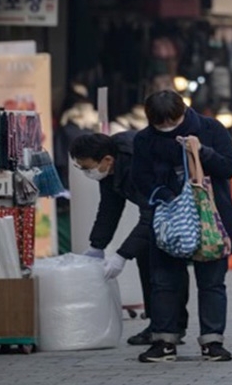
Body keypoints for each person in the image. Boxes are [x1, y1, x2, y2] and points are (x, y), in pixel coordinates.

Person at [132, 91, 232, 363]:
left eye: (173, 120)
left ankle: (212, 342)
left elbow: (230, 166)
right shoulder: (144, 140)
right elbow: (140, 178)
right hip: (170, 219)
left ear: (183, 112)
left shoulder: (209, 129)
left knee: (212, 283)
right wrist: (166, 197)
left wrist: (202, 151)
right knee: (164, 282)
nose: (168, 127)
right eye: (161, 124)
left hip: (211, 217)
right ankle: (164, 341)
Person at [71, 131, 156, 346]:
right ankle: (159, 326)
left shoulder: (138, 162)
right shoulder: (110, 170)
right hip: (156, 214)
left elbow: (151, 214)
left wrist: (122, 255)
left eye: (87, 168)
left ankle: (168, 328)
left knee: (160, 265)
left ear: (107, 159)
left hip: (173, 213)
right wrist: (96, 246)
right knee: (145, 255)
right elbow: (109, 208)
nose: (86, 173)